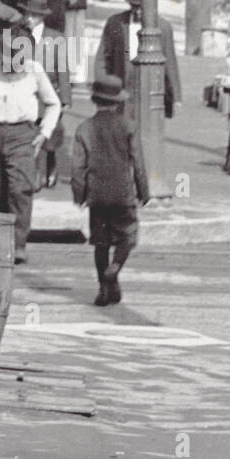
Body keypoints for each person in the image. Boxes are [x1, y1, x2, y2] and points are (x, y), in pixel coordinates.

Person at [0, 25, 61, 264]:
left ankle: (17, 244)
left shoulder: (35, 71)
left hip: (22, 135)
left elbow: (53, 103)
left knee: (20, 190)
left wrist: (44, 132)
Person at [71, 74, 149, 306]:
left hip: (97, 195)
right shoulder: (128, 126)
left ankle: (104, 288)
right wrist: (144, 191)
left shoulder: (84, 128)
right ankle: (114, 270)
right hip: (122, 193)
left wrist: (80, 194)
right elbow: (138, 162)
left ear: (96, 100)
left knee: (101, 242)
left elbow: (77, 167)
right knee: (127, 236)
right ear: (117, 101)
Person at [96, 0, 181, 119]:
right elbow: (103, 56)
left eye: (142, 7)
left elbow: (170, 61)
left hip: (149, 85)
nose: (138, 11)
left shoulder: (163, 27)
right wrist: (101, 84)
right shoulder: (115, 23)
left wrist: (176, 96)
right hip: (122, 83)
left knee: (146, 122)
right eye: (134, 6)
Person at [27, 0, 71, 189]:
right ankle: (34, 173)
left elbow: (63, 69)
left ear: (41, 17)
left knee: (50, 131)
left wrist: (66, 98)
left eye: (34, 15)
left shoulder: (55, 38)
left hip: (50, 91)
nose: (29, 18)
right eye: (27, 14)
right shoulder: (17, 36)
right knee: (30, 131)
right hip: (26, 91)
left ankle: (50, 164)